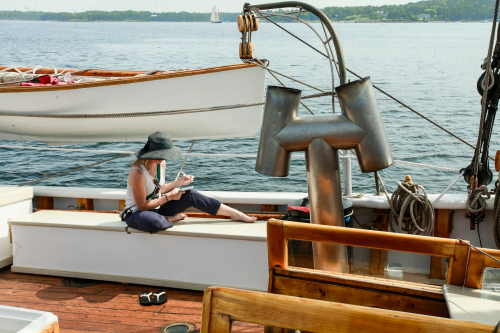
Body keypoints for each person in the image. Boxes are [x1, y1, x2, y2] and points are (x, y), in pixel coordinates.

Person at [121, 131, 257, 233]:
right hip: (136, 213)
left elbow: (158, 190)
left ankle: (236, 214)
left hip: (157, 207)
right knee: (153, 222)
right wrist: (169, 198)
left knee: (190, 194)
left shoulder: (160, 164)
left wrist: (179, 183)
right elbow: (143, 206)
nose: (164, 157)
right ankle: (170, 219)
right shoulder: (137, 173)